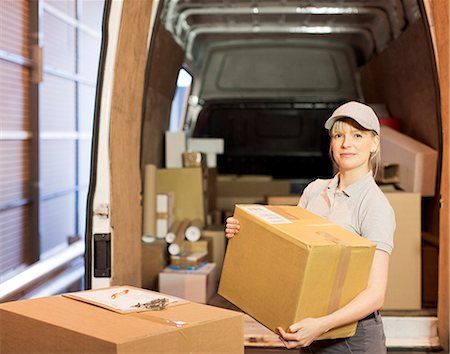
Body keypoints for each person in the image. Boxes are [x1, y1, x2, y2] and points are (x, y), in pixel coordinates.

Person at [225, 101, 396, 354]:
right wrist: (245, 232)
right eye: (339, 135)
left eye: (357, 135)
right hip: (311, 329)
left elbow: (375, 294)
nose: (346, 143)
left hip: (352, 339)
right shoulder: (315, 191)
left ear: (374, 143)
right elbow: (291, 252)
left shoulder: (374, 206)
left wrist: (321, 326)